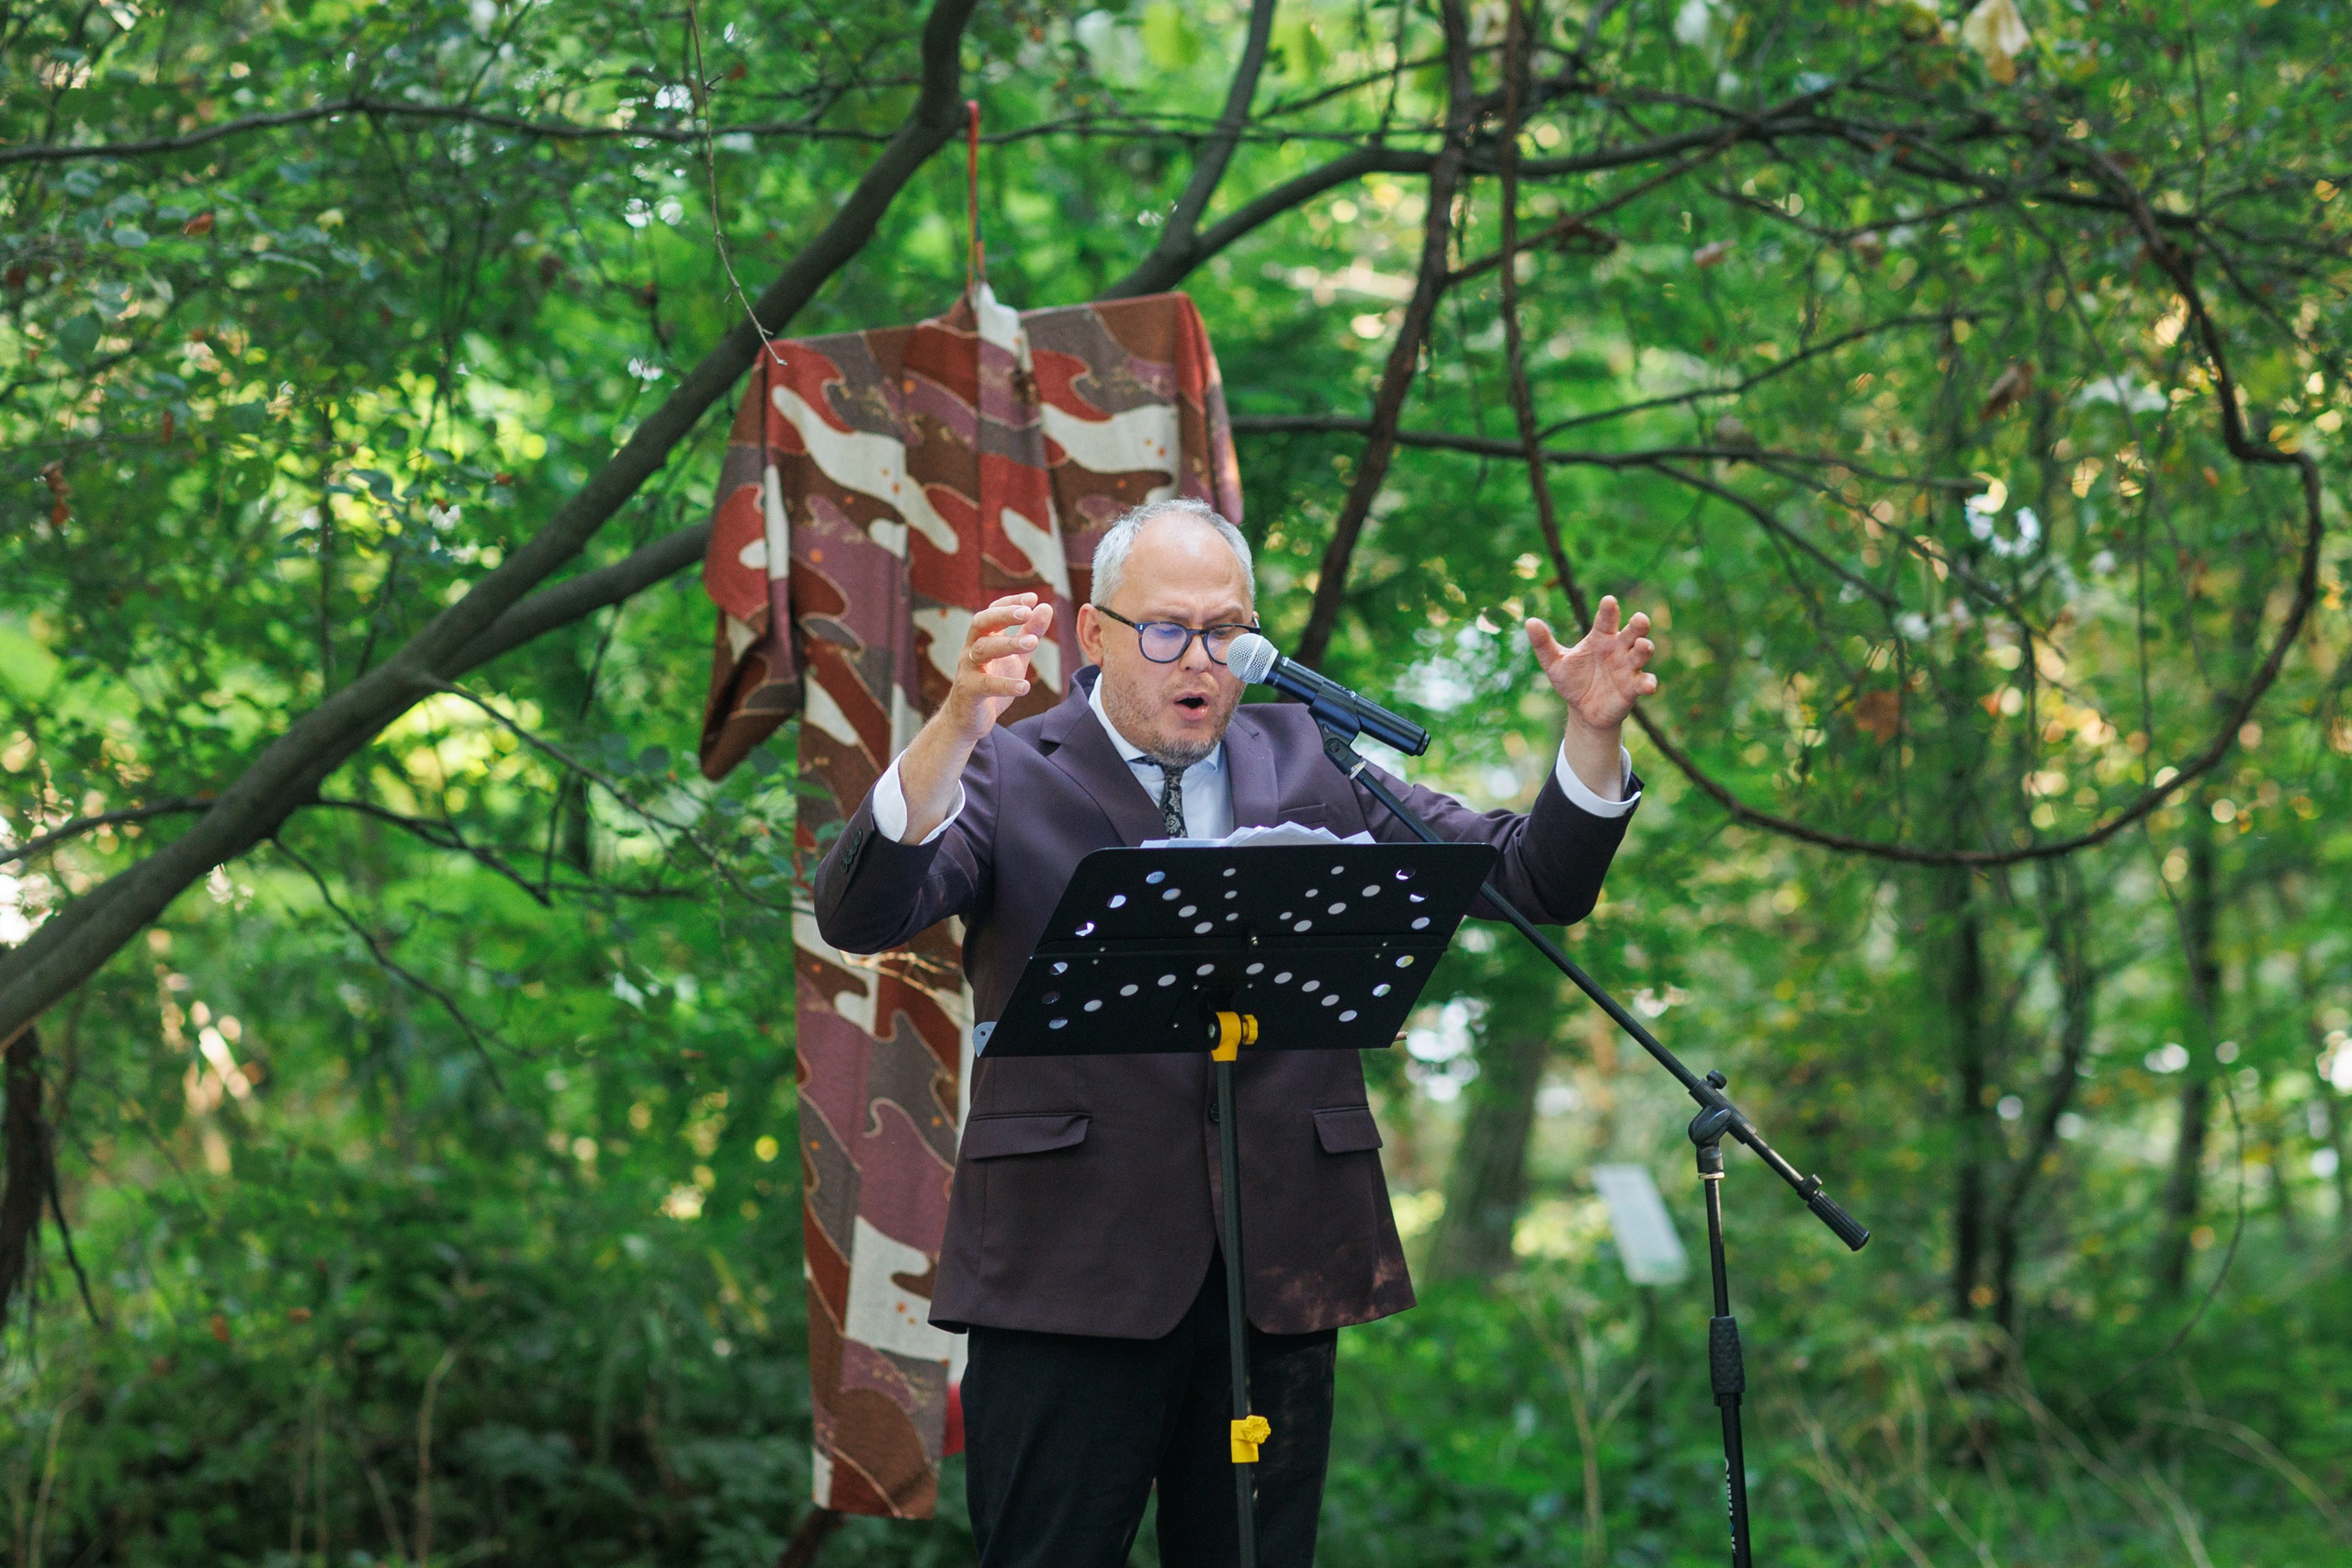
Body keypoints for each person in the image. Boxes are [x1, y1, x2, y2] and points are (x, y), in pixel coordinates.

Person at [814, 497, 1657, 1567]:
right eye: (1166, 629)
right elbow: (861, 915)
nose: (1198, 658)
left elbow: (1533, 877)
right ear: (1094, 633)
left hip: (1281, 1261)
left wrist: (1591, 733)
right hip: (1067, 1263)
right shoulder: (1005, 766)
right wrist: (952, 727)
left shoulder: (1313, 757)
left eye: (1225, 629)